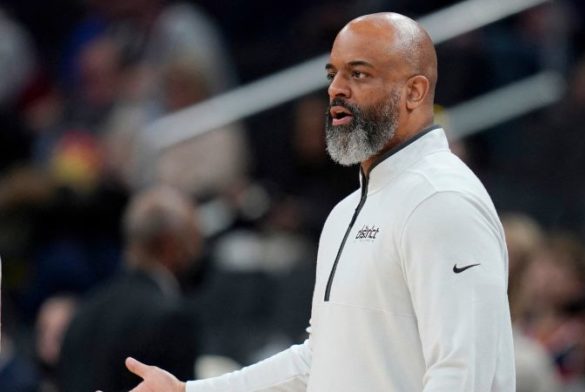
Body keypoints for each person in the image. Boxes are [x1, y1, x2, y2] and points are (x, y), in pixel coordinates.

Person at [125, 12, 515, 391]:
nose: (335, 89)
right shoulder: (347, 211)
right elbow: (319, 360)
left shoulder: (441, 199)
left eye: (358, 73)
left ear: (413, 92)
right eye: (333, 74)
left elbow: (462, 373)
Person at [58, 186, 202, 391]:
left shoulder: (84, 310)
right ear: (171, 245)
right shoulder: (171, 318)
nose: (198, 250)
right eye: (194, 238)